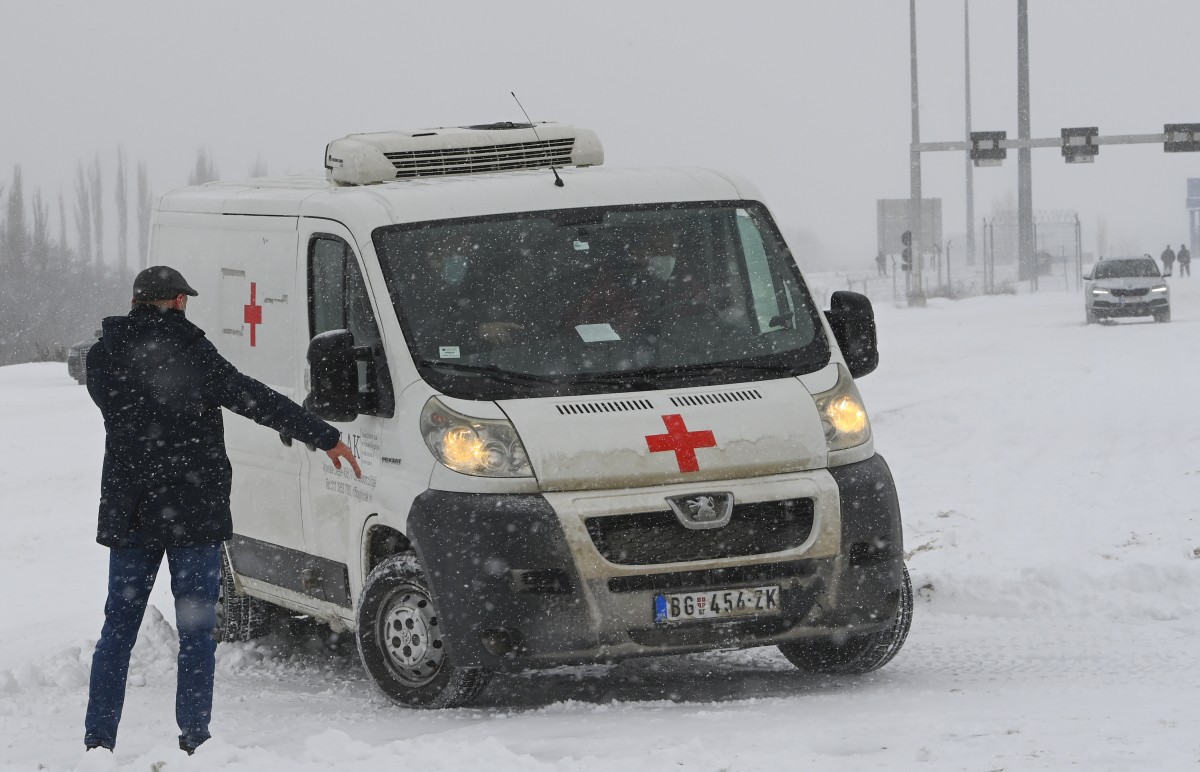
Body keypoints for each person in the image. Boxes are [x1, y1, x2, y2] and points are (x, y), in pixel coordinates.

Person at [83, 266, 361, 756]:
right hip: (193, 511)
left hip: (131, 511)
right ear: (177, 302)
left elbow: (121, 410)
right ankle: (196, 741)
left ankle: (98, 744)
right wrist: (324, 435)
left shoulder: (103, 356)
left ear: (135, 300)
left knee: (118, 629)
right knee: (196, 629)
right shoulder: (192, 353)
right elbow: (250, 396)